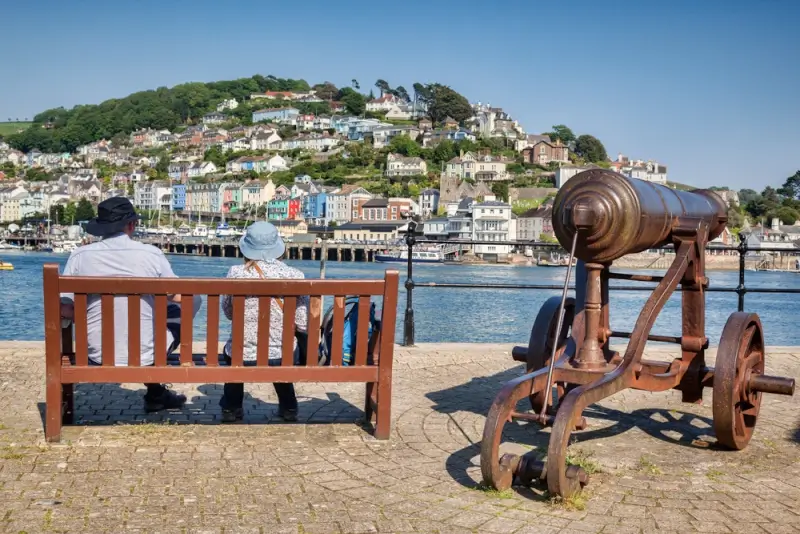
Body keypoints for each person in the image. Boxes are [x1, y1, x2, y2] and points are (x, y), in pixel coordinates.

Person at [59, 197, 202, 412]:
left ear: (102, 227)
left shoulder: (80, 255)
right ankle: (155, 393)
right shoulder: (151, 254)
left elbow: (64, 308)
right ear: (132, 225)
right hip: (147, 354)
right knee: (190, 301)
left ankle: (156, 393)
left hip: (96, 353)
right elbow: (181, 297)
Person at [220, 221, 308, 423]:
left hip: (242, 354)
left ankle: (231, 408)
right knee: (283, 348)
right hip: (282, 354)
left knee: (234, 352)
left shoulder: (236, 274)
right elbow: (302, 322)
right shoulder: (295, 275)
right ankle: (289, 407)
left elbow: (228, 312)